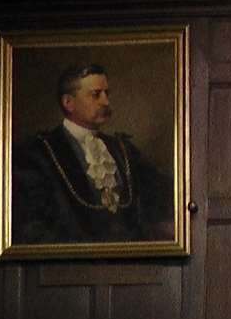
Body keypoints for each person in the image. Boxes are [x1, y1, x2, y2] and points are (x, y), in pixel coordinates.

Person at [13, 62, 171, 244]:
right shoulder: (40, 152)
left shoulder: (122, 149)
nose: (106, 102)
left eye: (106, 94)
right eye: (96, 95)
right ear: (68, 102)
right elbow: (34, 226)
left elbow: (159, 190)